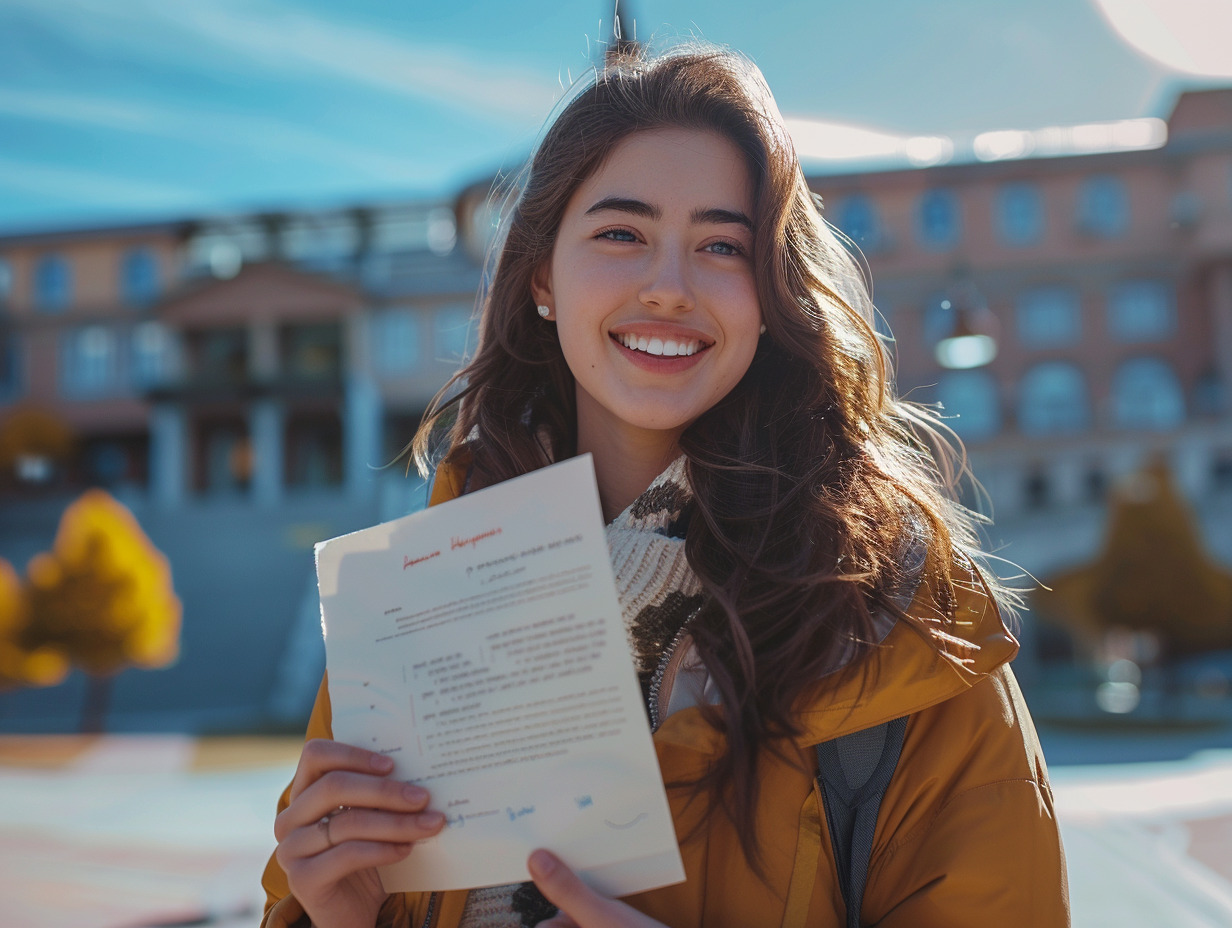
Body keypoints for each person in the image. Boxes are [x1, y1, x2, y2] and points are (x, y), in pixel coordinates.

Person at [261, 42, 1069, 928]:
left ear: (770, 295)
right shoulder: (420, 604)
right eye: (621, 233)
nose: (670, 287)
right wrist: (337, 918)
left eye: (723, 245)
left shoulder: (902, 618)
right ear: (542, 276)